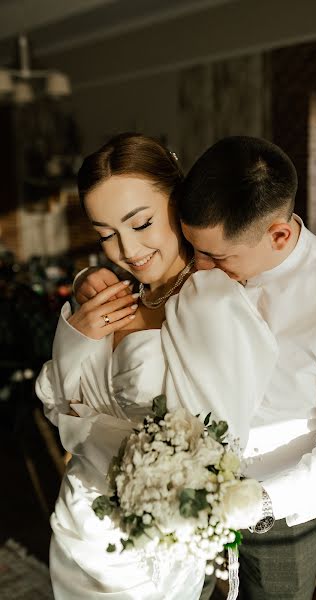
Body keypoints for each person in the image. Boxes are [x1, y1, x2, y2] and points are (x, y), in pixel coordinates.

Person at [76, 135, 316, 600]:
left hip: (280, 518)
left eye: (217, 257)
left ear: (279, 235)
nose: (200, 271)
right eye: (193, 247)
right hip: (171, 502)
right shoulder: (209, 247)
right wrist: (89, 279)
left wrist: (257, 504)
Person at [35, 133, 278, 600]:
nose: (126, 249)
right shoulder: (115, 296)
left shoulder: (211, 302)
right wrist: (78, 336)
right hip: (75, 524)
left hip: (144, 551)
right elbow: (59, 405)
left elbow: (218, 442)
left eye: (141, 223)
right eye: (106, 234)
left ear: (179, 200)